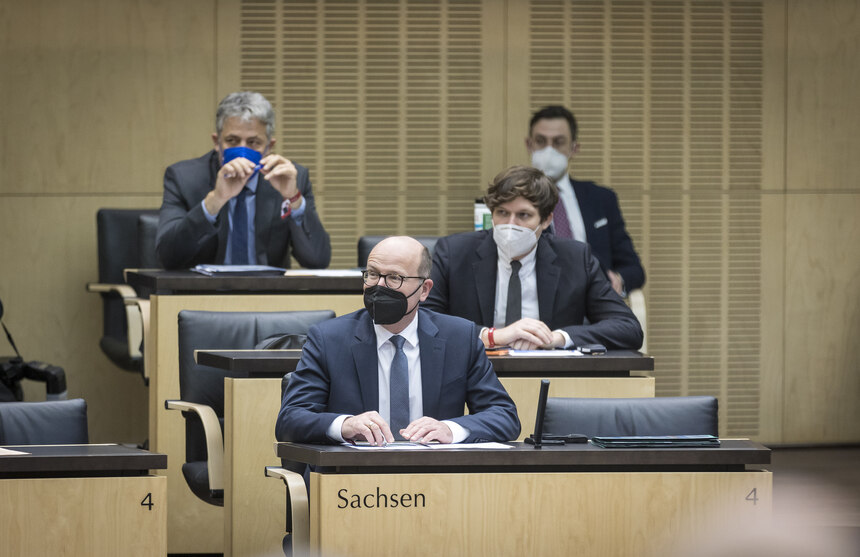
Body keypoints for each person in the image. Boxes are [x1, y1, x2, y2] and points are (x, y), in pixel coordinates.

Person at [276, 236, 520, 446]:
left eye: (394, 278)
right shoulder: (329, 339)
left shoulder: (459, 337)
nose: (379, 286)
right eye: (372, 275)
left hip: (438, 478)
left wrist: (450, 430)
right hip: (353, 480)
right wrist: (345, 425)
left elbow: (504, 416)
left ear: (424, 290)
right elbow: (291, 419)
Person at [423, 166, 643, 351]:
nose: (511, 224)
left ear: (546, 220)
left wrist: (557, 338)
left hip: (551, 377)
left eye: (523, 215)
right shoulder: (454, 252)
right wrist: (492, 336)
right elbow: (424, 319)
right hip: (473, 375)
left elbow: (628, 328)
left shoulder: (576, 258)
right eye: (501, 213)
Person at [156, 91, 331, 270]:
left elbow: (317, 260)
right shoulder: (184, 178)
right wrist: (215, 201)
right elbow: (168, 257)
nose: (242, 151)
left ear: (269, 146)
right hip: (203, 295)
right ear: (217, 142)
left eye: (253, 142)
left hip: (269, 294)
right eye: (232, 140)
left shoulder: (291, 177)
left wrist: (293, 198)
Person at [527, 105, 645, 295]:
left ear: (574, 148)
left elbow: (634, 269)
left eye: (558, 142)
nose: (549, 150)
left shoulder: (601, 198)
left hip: (594, 304)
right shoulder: (514, 202)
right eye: (541, 141)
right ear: (529, 145)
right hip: (539, 304)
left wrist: (618, 280)